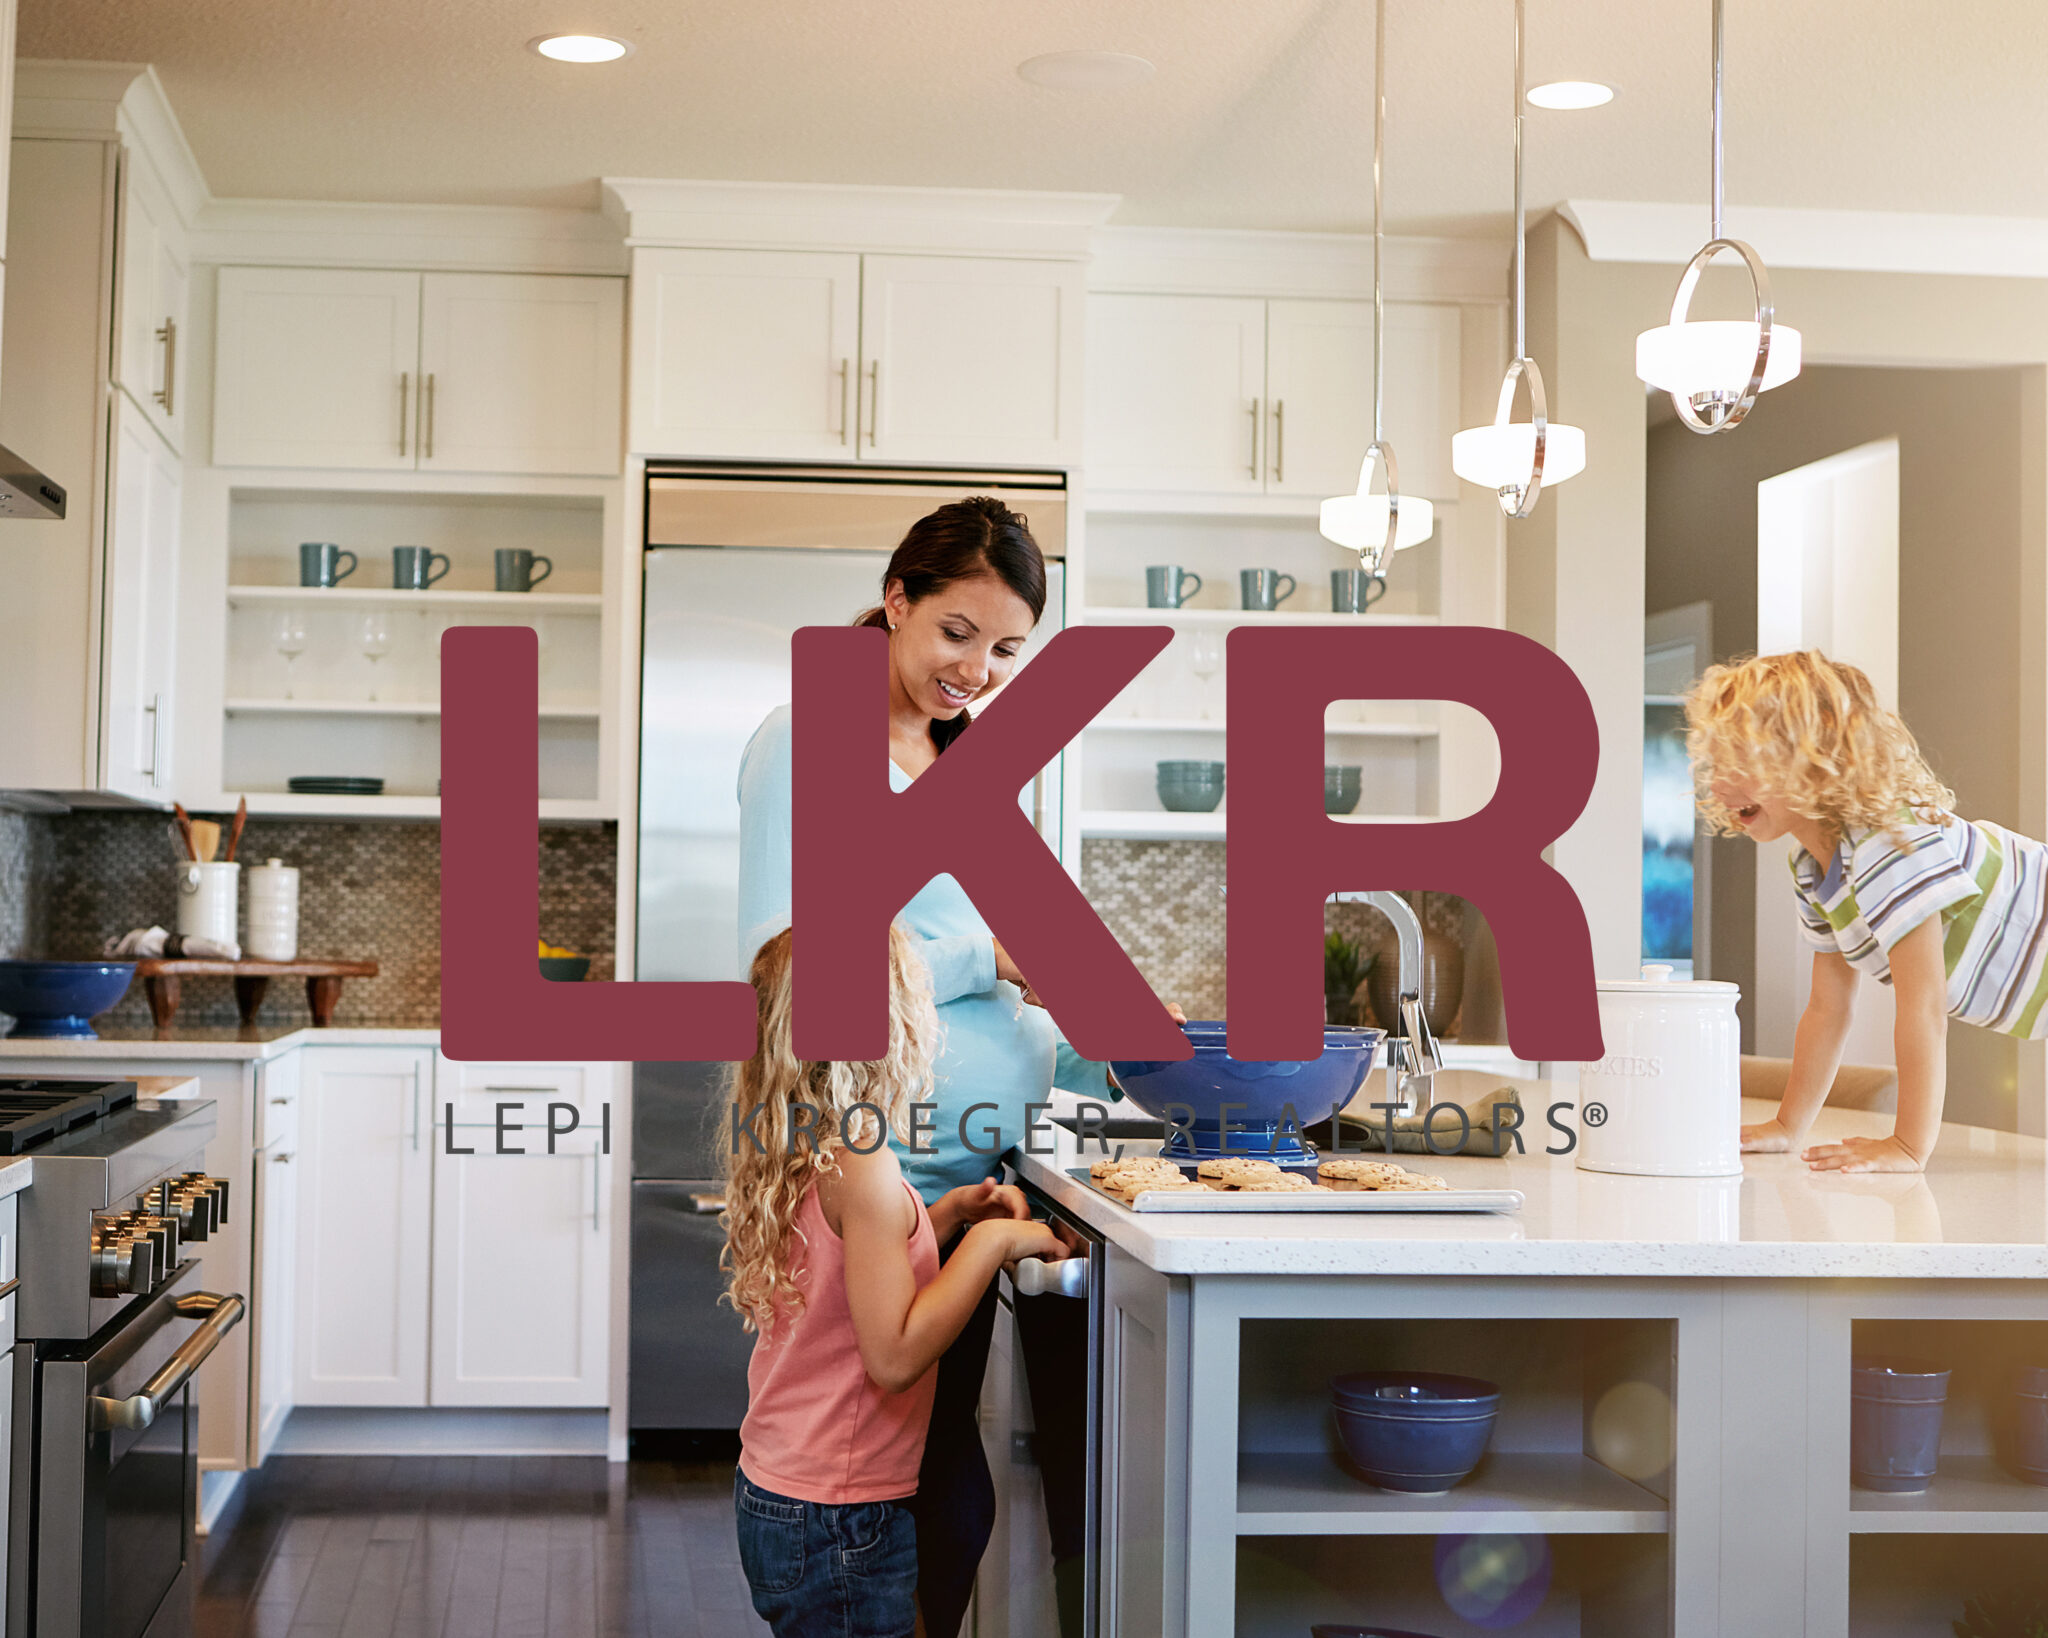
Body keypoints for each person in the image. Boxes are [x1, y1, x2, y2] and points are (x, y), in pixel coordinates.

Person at [735, 495, 1144, 1637]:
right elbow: (786, 960)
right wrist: (992, 951)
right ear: (897, 598)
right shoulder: (806, 738)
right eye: (956, 632)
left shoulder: (965, 759)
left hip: (968, 1169)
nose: (978, 668)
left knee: (939, 1485)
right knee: (904, 1495)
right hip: (887, 1172)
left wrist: (1122, 1063)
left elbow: (1012, 978)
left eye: (1008, 647)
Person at [722, 924, 1066, 1638]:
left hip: (785, 1491)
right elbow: (895, 1355)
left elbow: (850, 1274)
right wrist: (996, 1240)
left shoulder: (805, 1138)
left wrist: (944, 1217)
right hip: (839, 1518)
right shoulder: (865, 1162)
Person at [1685, 650, 2048, 1173]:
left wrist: (1906, 1145)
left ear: (1809, 762)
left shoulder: (1886, 847)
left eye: (1741, 763)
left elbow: (1923, 1005)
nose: (1718, 783)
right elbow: (1827, 1008)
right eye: (1715, 763)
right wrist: (1788, 1127)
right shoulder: (1814, 867)